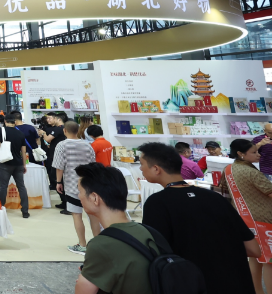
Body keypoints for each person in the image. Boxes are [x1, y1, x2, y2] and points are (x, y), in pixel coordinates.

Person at [139, 142, 258, 294]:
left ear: (156, 169)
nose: (140, 169)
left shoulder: (157, 203)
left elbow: (156, 254)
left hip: (193, 284)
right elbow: (254, 249)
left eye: (142, 164)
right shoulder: (215, 198)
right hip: (236, 283)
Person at [74, 162, 160, 294]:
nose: (79, 196)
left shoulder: (100, 245)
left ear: (95, 198)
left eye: (80, 191)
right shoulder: (149, 232)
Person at [226, 139, 272, 294]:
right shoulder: (251, 172)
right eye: (254, 152)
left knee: (255, 258)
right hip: (262, 221)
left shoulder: (229, 169)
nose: (258, 155)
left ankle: (257, 291)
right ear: (241, 154)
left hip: (244, 219)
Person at [53, 120, 97, 255]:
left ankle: (82, 245)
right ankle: (99, 245)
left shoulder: (62, 145)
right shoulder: (87, 145)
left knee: (77, 215)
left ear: (64, 130)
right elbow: (93, 164)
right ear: (78, 131)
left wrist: (58, 182)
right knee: (93, 216)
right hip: (89, 185)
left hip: (72, 185)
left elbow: (59, 166)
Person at [0, 111, 29, 219]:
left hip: (5, 163)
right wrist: (24, 165)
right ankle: (25, 211)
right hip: (18, 164)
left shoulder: (1, 130)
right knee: (21, 187)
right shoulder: (20, 133)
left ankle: (1, 209)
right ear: (14, 122)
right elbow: (23, 151)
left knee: (3, 186)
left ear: (5, 121)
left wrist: (3, 149)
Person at [39, 112, 67, 209]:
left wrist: (43, 133)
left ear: (57, 119)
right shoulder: (63, 128)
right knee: (57, 177)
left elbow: (47, 139)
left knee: (56, 178)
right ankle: (64, 201)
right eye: (47, 119)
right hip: (56, 154)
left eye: (50, 118)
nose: (48, 120)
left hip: (57, 156)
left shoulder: (58, 129)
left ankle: (66, 202)